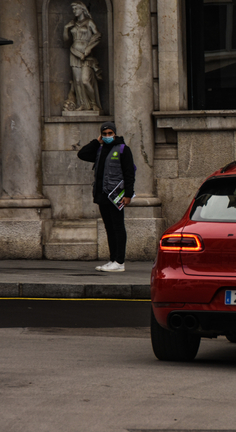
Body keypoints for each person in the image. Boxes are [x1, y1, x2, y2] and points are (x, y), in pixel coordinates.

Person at [78, 122, 135, 272]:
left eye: (110, 133)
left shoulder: (123, 149)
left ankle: (120, 261)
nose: (108, 136)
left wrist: (128, 194)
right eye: (105, 134)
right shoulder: (99, 149)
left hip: (115, 195)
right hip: (102, 195)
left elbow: (129, 173)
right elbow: (82, 154)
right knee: (109, 228)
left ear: (115, 133)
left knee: (118, 227)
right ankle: (113, 260)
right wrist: (96, 142)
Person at [63, 1, 102, 112]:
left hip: (86, 55)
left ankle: (94, 104)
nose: (74, 11)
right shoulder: (73, 23)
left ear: (82, 9)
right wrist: (66, 28)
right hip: (74, 53)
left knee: (85, 80)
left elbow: (98, 35)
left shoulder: (89, 22)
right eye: (73, 9)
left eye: (76, 8)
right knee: (78, 81)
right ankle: (83, 104)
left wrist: (89, 48)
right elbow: (66, 40)